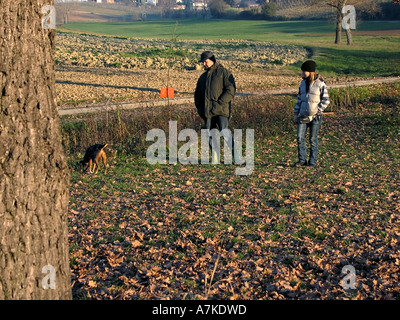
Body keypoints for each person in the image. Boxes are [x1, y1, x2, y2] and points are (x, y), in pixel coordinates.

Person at [194, 51, 236, 163]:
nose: (204, 64)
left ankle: (235, 156)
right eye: (203, 62)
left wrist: (221, 102)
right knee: (209, 134)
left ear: (212, 60)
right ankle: (215, 158)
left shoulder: (223, 73)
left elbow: (230, 90)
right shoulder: (202, 77)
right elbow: (197, 94)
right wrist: (199, 108)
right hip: (207, 112)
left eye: (206, 61)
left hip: (221, 110)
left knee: (224, 132)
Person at [294, 60, 330, 167]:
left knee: (313, 140)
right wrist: (296, 114)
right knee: (300, 138)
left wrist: (317, 111)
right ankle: (302, 160)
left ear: (310, 71)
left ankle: (312, 162)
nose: (302, 73)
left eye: (304, 71)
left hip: (315, 117)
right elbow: (299, 100)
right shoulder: (302, 84)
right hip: (303, 116)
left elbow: (326, 100)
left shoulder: (320, 83)